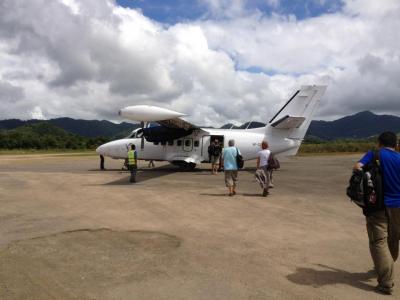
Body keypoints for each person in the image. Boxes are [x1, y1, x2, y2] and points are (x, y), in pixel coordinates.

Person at [354, 131, 400, 295]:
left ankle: (386, 282)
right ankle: (387, 265)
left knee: (378, 242)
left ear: (379, 143)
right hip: (398, 207)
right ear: (395, 144)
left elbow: (358, 167)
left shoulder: (374, 154)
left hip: (379, 206)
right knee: (393, 238)